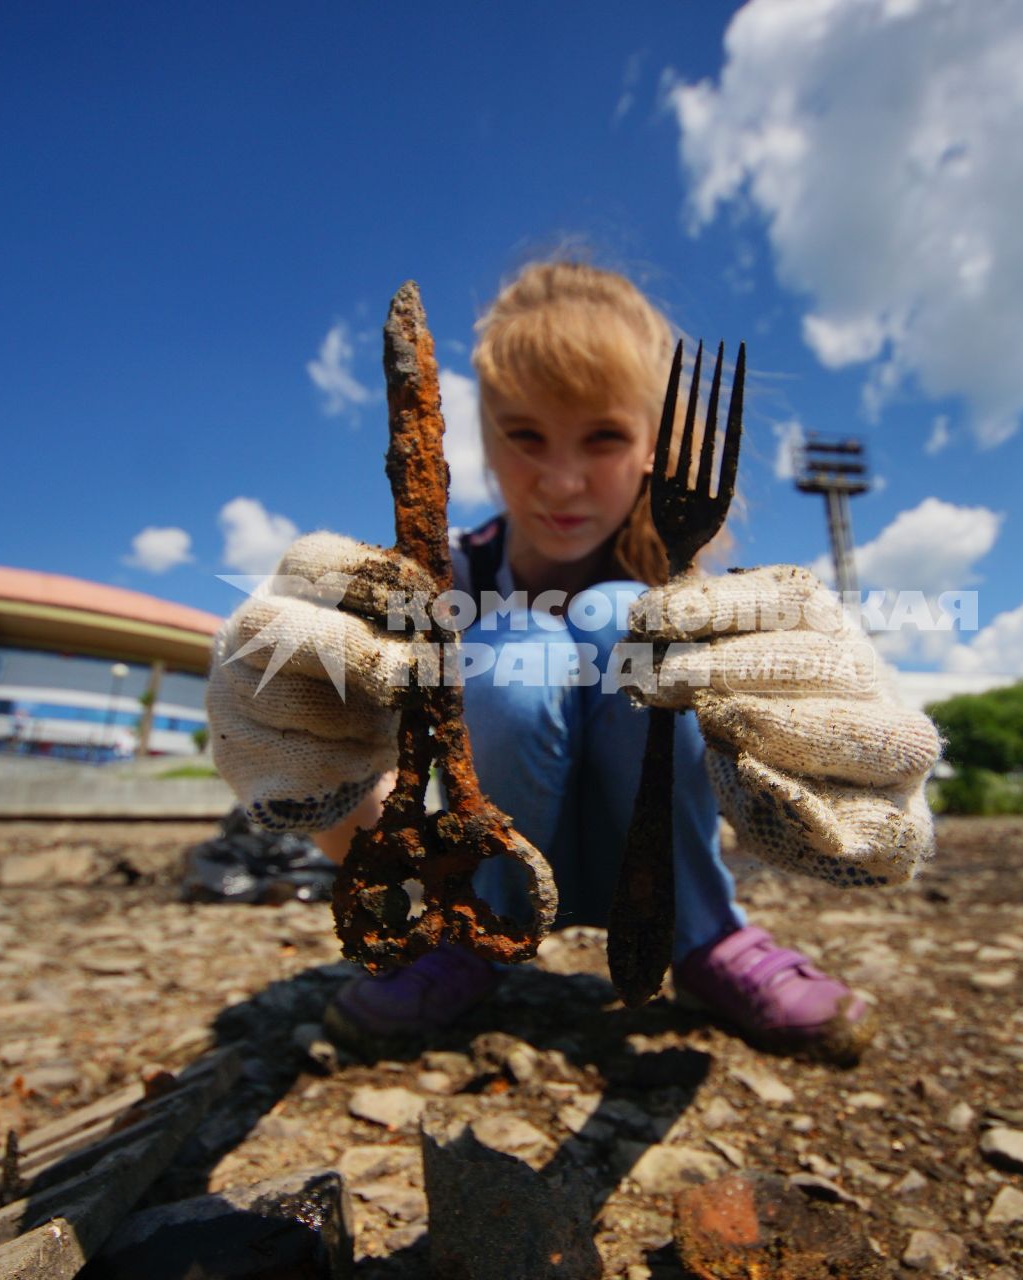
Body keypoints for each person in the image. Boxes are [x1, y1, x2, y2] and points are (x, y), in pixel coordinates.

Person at [207, 260, 941, 1065]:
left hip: (665, 874)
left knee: (617, 615)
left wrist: (853, 766)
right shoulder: (429, 586)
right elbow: (366, 819)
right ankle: (474, 936)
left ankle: (706, 936)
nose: (560, 481)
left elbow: (771, 749)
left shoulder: (694, 593)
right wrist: (310, 761)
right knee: (511, 649)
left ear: (655, 447)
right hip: (489, 868)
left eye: (603, 437)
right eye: (525, 436)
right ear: (484, 437)